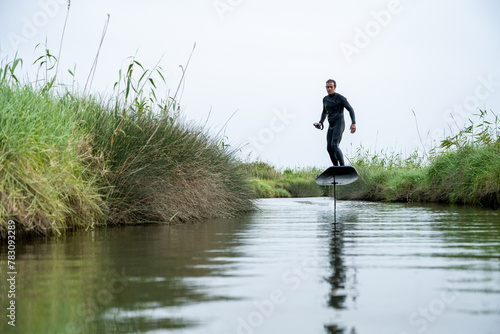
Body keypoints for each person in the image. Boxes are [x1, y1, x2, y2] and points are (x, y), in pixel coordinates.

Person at [314, 79, 356, 166]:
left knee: (334, 145)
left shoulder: (340, 98)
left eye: (331, 87)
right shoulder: (325, 99)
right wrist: (320, 122)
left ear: (335, 87)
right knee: (329, 148)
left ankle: (342, 167)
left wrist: (353, 123)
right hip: (331, 125)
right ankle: (336, 168)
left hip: (339, 123)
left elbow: (350, 109)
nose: (329, 89)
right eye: (327, 87)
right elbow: (324, 111)